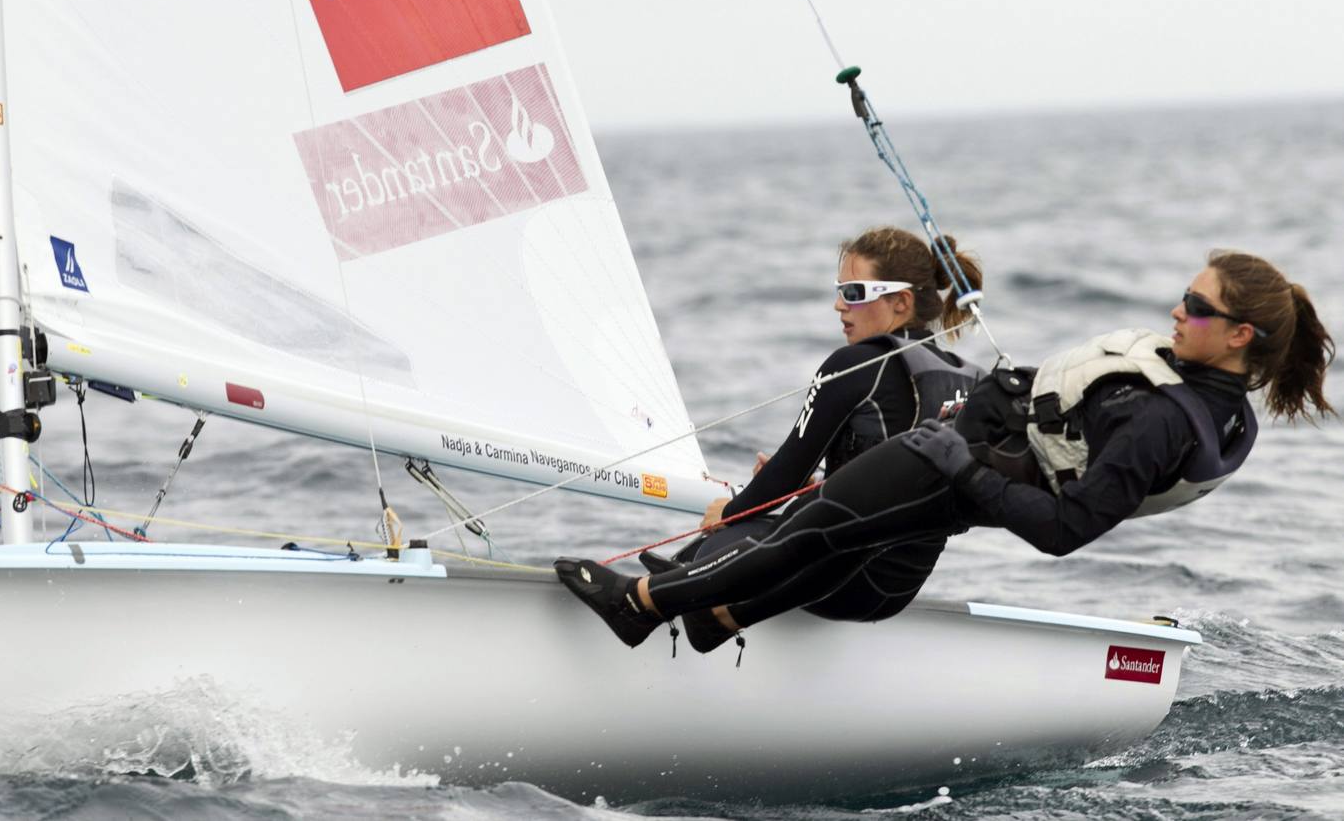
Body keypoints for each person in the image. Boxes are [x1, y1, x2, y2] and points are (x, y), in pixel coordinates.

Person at [556, 250, 1334, 651]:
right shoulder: (1216, 407)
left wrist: (960, 462)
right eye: (1185, 293)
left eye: (1197, 307)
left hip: (957, 468)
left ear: (1240, 337)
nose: (1177, 308)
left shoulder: (1165, 419)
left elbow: (1069, 530)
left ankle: (640, 606)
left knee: (815, 527)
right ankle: (719, 614)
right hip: (977, 468)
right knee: (841, 537)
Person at [641, 226, 985, 652]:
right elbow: (905, 481)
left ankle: (659, 599)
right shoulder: (969, 378)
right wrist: (818, 487)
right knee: (759, 533)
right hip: (898, 589)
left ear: (902, 301)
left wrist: (728, 512)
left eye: (856, 292)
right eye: (840, 289)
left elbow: (784, 475)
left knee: (725, 539)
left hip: (839, 581)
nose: (840, 305)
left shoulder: (855, 364)